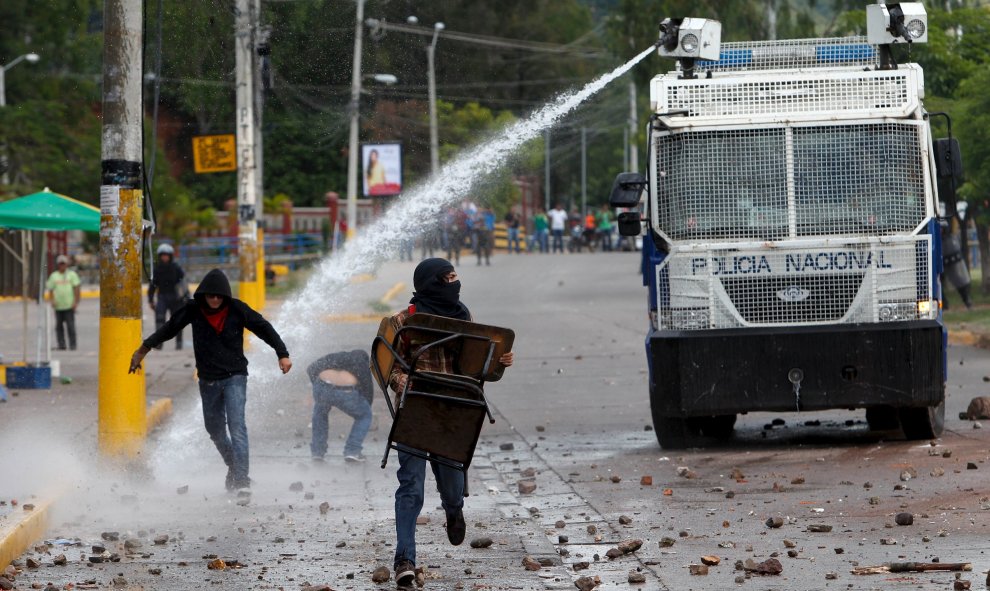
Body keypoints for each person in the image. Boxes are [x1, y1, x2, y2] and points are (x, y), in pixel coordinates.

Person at [387, 258, 514, 588]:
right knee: (410, 487)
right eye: (450, 278)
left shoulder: (463, 316)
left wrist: (499, 361)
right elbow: (388, 366)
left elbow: (476, 366)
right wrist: (403, 382)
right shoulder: (404, 321)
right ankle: (404, 560)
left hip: (452, 412)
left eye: (456, 277)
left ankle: (453, 509)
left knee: (452, 484)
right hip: (415, 412)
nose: (456, 284)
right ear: (433, 282)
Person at [128, 268, 292, 491]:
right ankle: (234, 467)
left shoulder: (237, 309)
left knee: (237, 427)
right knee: (214, 430)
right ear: (203, 295)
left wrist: (282, 353)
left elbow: (263, 328)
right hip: (208, 380)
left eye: (219, 296)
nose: (215, 299)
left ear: (225, 296)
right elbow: (170, 328)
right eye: (210, 295)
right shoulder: (193, 310)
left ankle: (242, 481)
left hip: (235, 376)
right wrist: (143, 349)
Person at [307, 349, 373, 463]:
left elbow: (311, 368)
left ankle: (317, 453)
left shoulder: (336, 356)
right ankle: (352, 451)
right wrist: (367, 406)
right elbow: (368, 388)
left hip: (322, 386)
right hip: (345, 391)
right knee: (365, 416)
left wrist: (319, 389)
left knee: (320, 411)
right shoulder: (362, 363)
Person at [148, 243, 187, 350]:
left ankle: (179, 343)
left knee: (177, 321)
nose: (164, 257)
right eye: (162, 255)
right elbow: (152, 286)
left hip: (176, 298)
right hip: (162, 297)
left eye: (167, 255)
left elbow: (183, 284)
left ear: (170, 256)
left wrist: (185, 298)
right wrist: (151, 300)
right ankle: (158, 343)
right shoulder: (157, 270)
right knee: (160, 319)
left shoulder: (176, 268)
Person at [46, 254, 81, 350]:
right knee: (59, 327)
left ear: (67, 264)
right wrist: (52, 300)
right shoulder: (54, 276)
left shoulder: (72, 275)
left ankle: (73, 345)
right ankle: (61, 345)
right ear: (58, 265)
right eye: (61, 264)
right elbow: (50, 289)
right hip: (58, 306)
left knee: (71, 326)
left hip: (69, 305)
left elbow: (76, 288)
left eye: (64, 264)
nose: (62, 266)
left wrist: (76, 302)